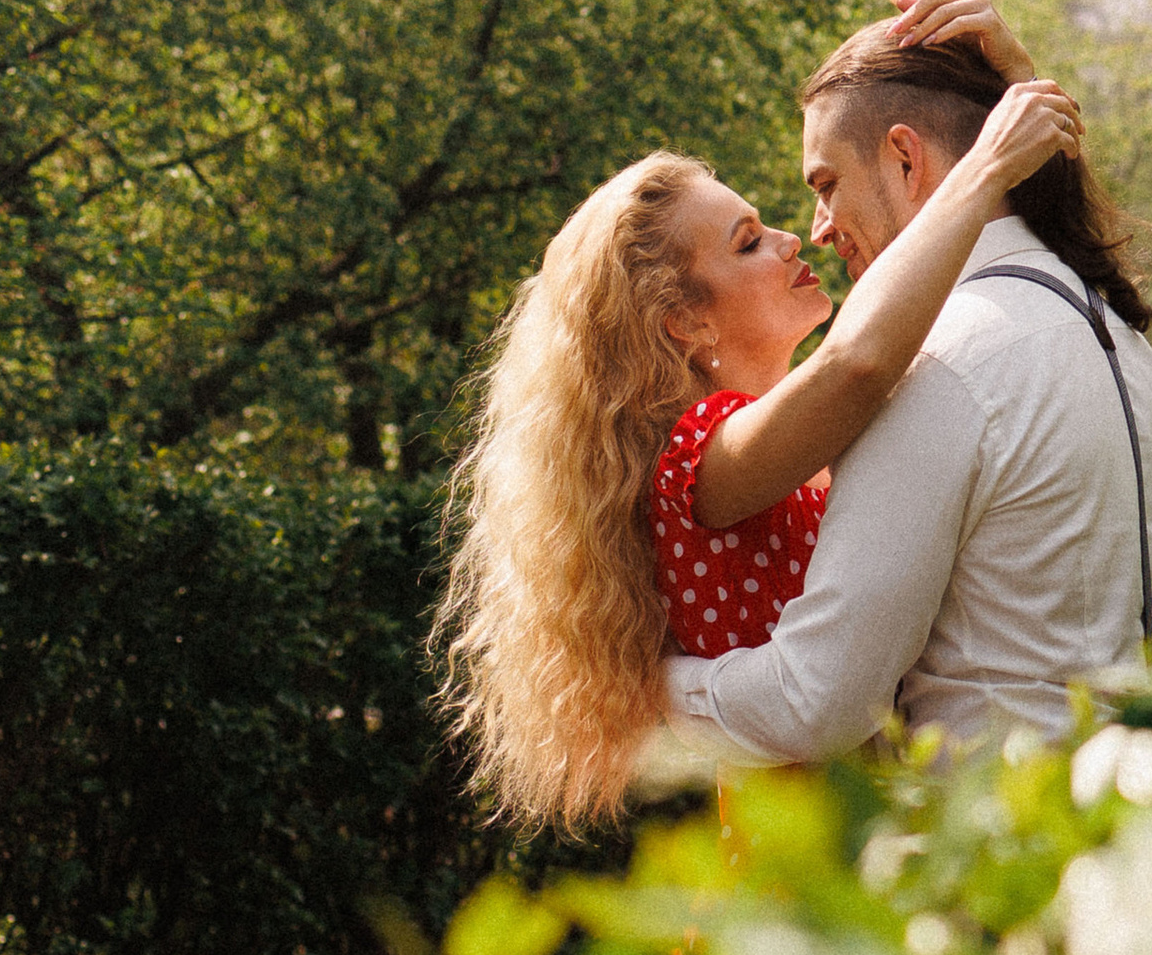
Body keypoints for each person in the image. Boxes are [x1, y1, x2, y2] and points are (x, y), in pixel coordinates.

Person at [433, 40, 1080, 828]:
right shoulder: (700, 454)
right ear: (685, 319)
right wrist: (982, 171)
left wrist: (1008, 67)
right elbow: (858, 364)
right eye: (748, 242)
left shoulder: (805, 452)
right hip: (801, 869)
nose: (793, 240)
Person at [661, 0, 1152, 768]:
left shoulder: (937, 369)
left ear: (906, 157)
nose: (816, 228)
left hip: (999, 859)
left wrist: (646, 686)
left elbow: (814, 703)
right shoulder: (1135, 353)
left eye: (826, 184)